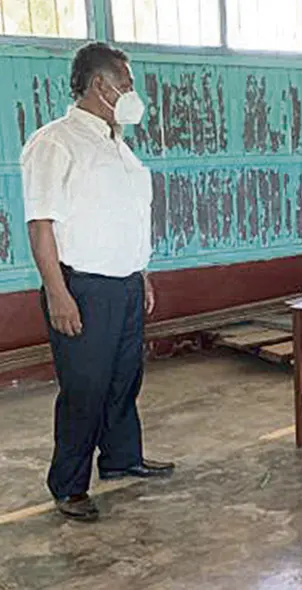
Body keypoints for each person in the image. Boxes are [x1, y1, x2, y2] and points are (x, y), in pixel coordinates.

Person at [20, 43, 174, 522]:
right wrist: (57, 292)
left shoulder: (118, 144)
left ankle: (121, 458)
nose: (132, 94)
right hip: (82, 287)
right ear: (100, 86)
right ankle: (68, 485)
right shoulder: (55, 142)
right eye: (126, 85)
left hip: (125, 284)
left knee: (124, 379)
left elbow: (127, 217)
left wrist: (141, 273)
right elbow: (41, 224)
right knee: (84, 388)